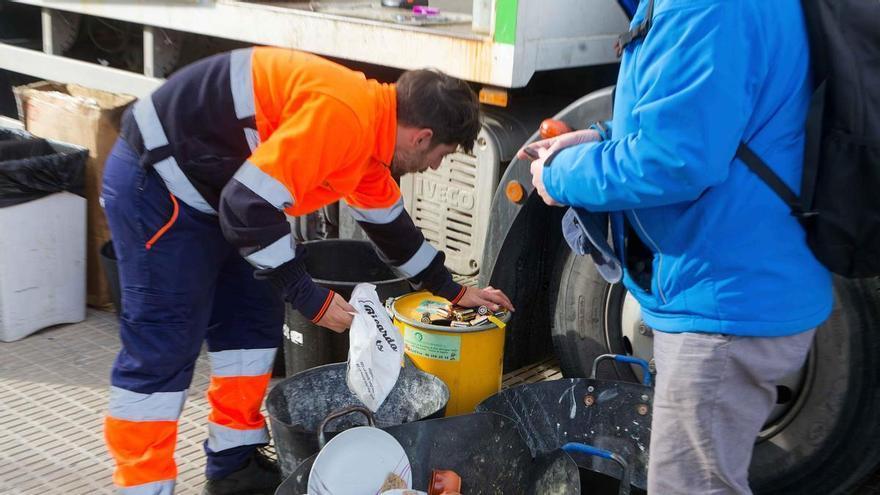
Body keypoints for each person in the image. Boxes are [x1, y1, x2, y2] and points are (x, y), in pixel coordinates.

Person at [101, 47, 514, 495]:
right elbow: (249, 206)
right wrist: (309, 297)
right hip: (161, 186)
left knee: (250, 329)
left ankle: (232, 467)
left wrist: (453, 292)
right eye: (441, 154)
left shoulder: (371, 143)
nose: (433, 166)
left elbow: (393, 230)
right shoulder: (346, 118)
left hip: (219, 195)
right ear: (421, 136)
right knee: (164, 346)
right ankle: (142, 485)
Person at [519, 0, 831, 493]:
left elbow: (676, 160)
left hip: (724, 299)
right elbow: (702, 123)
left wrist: (559, 176)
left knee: (690, 485)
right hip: (740, 283)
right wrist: (597, 139)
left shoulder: (708, 6)